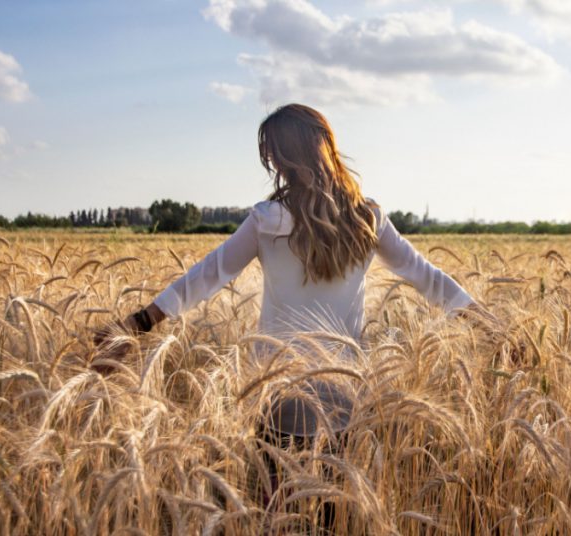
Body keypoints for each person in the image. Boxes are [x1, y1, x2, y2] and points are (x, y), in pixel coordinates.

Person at [92, 103, 489, 517]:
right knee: (330, 513)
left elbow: (208, 274)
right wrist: (490, 326)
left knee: (278, 512)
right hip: (344, 391)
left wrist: (139, 322)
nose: (271, 164)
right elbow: (429, 278)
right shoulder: (367, 217)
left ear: (287, 157)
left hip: (277, 389)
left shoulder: (268, 219)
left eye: (272, 154)